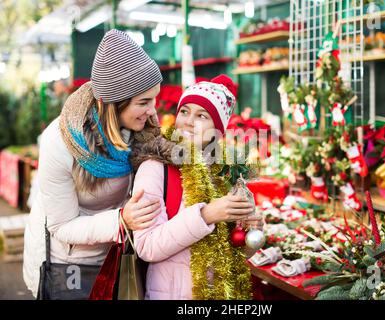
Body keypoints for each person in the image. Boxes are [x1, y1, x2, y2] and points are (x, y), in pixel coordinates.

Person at [23, 29, 174, 298]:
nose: (154, 110)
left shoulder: (139, 128)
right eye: (144, 102)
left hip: (113, 254)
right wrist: (120, 220)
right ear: (110, 104)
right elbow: (61, 226)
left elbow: (170, 154)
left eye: (154, 98)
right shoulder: (60, 141)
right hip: (68, 262)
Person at [131, 75, 263, 300]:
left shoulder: (226, 173)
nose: (188, 122)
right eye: (184, 111)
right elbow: (146, 247)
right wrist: (207, 214)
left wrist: (251, 230)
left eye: (202, 116)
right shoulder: (156, 167)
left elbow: (235, 254)